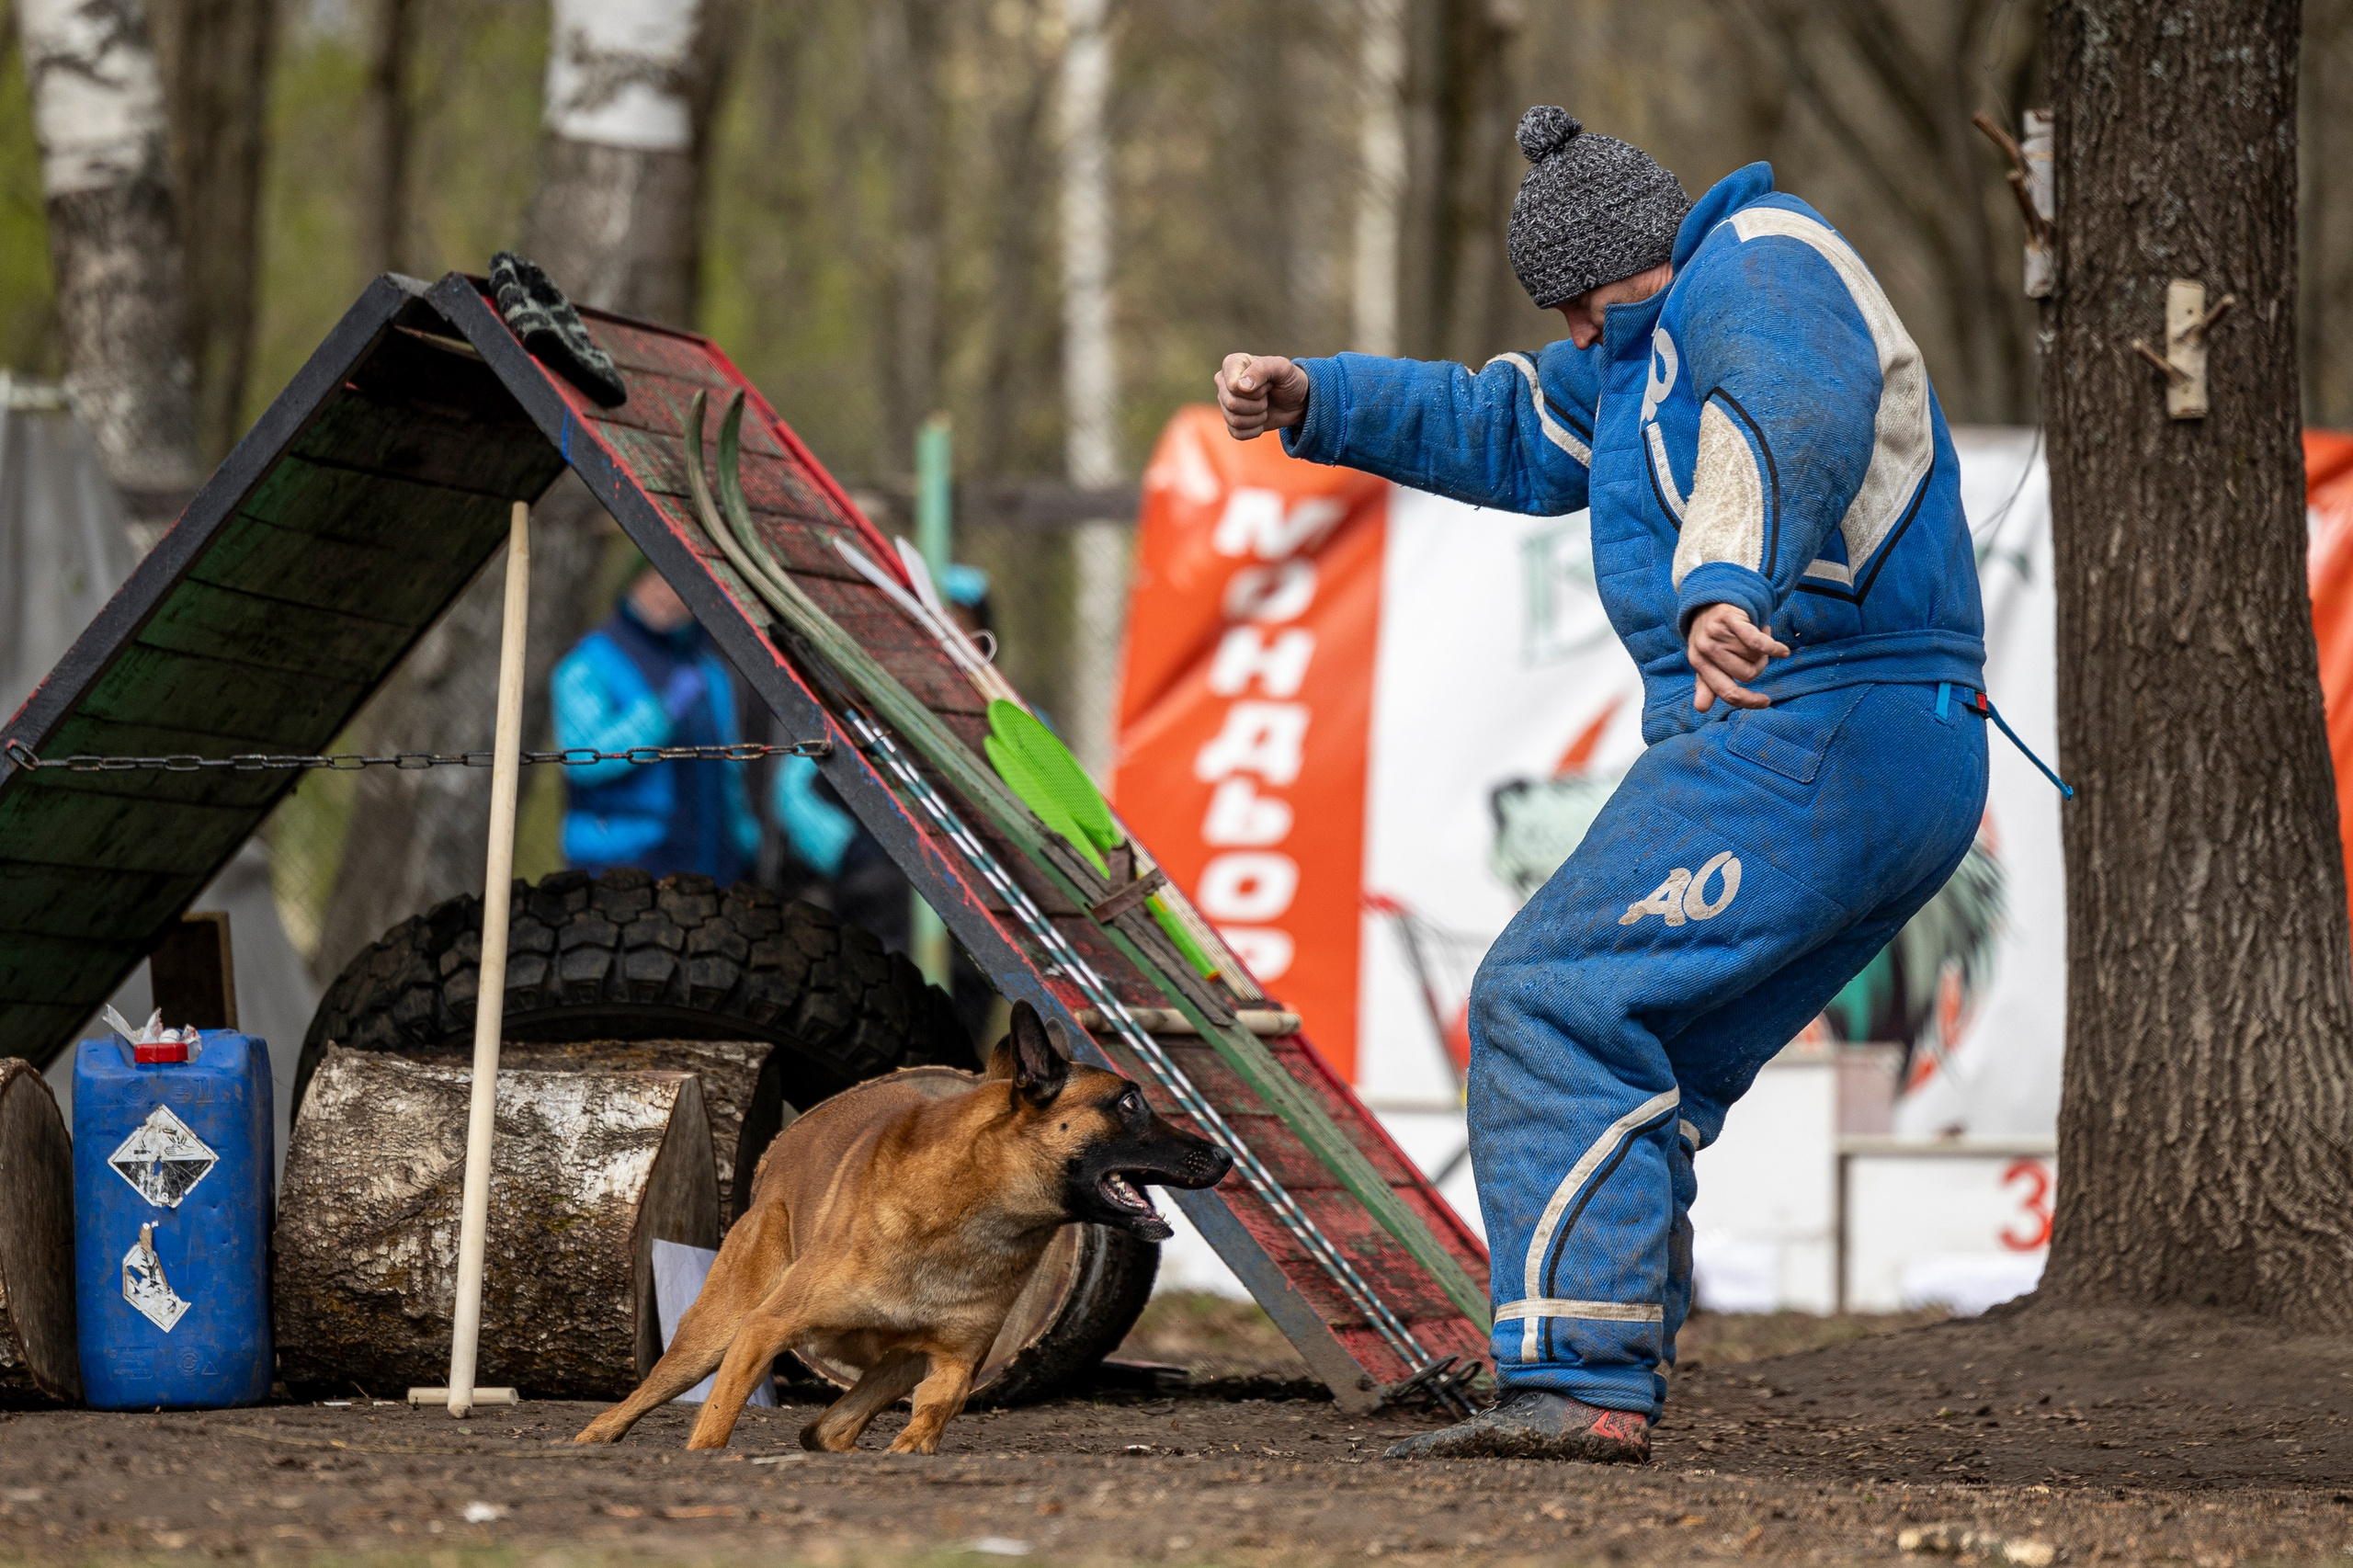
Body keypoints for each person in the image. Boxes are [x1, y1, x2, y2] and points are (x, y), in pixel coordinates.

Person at [1216, 107, 1988, 1464]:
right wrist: (1319, 399)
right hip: (1868, 734)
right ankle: (1605, 1367)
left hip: (1814, 720)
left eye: (1582, 298)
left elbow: (1789, 415)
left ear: (1641, 252)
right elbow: (1508, 425)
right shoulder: (1640, 346)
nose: (1574, 327)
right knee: (1653, 1051)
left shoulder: (1759, 263)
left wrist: (1722, 587)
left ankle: (1573, 1382)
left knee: (1549, 995)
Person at [553, 564, 763, 884]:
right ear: (629, 585)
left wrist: (742, 831)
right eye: (653, 580)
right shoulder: (589, 662)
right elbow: (581, 760)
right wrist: (658, 718)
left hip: (713, 858)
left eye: (675, 584)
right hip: (621, 862)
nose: (665, 595)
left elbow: (729, 764)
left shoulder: (710, 669)